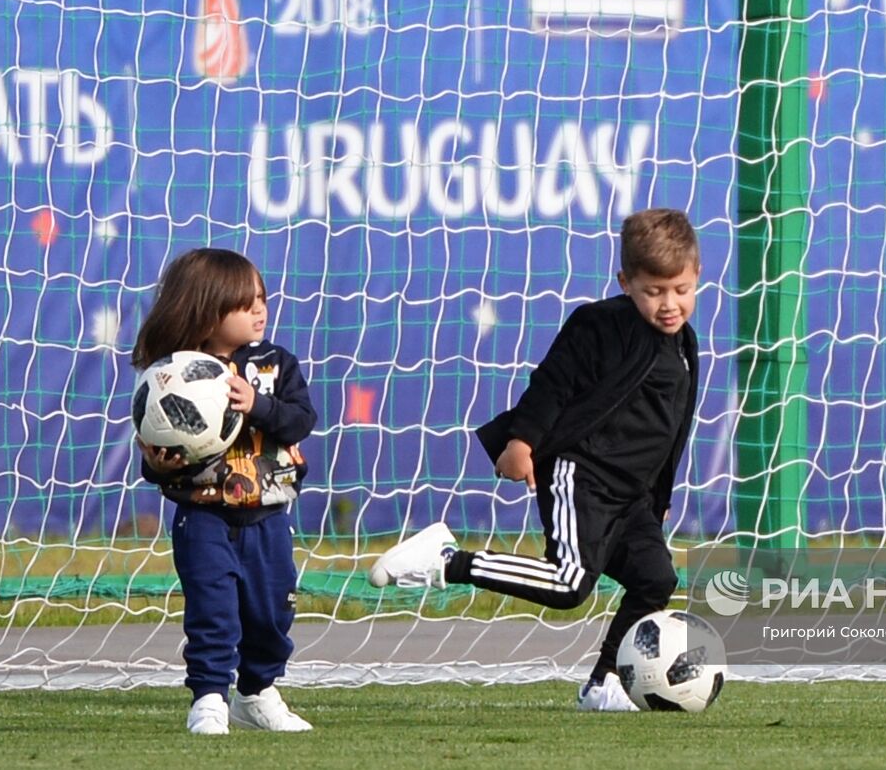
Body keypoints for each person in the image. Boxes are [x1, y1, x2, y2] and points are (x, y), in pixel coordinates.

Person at [369, 208, 701, 712]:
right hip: (581, 474)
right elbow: (553, 383)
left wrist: (659, 498)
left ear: (697, 277)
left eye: (680, 289)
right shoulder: (600, 325)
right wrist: (522, 442)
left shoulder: (685, 344)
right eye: (654, 291)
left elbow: (672, 427)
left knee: (657, 579)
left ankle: (604, 682)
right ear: (625, 282)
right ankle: (446, 561)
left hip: (631, 497)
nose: (669, 304)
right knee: (570, 585)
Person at [133, 248, 317, 734]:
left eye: (262, 298)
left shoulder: (276, 365)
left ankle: (257, 692)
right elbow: (159, 453)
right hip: (203, 518)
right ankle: (210, 697)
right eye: (244, 303)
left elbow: (301, 421)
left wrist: (257, 405)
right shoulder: (173, 374)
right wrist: (157, 465)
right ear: (205, 310)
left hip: (268, 515)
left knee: (272, 611)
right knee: (212, 609)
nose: (259, 309)